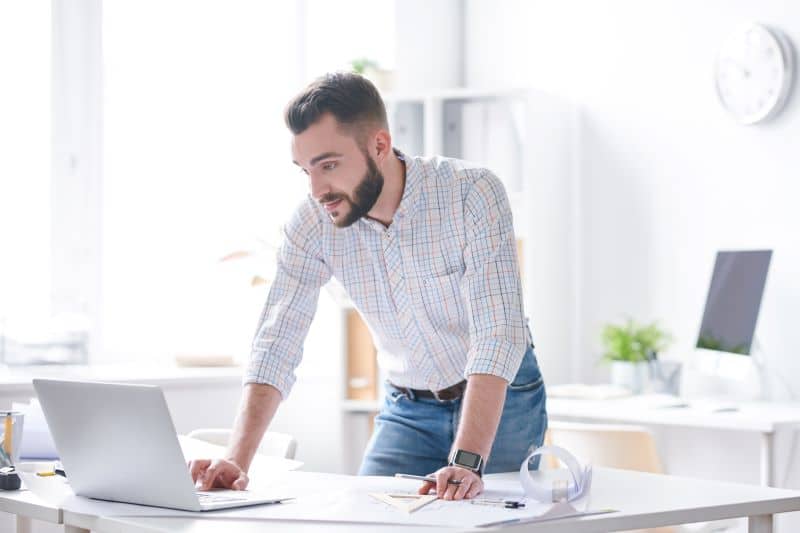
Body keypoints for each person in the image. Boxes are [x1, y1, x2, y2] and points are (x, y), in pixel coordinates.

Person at [189, 72, 547, 501]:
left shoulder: (471, 194)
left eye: (329, 165)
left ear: (379, 145)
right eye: (305, 170)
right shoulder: (312, 224)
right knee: (366, 518)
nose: (317, 189)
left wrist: (467, 461)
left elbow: (498, 334)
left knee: (494, 522)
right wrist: (236, 459)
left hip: (504, 400)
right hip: (409, 408)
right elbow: (276, 341)